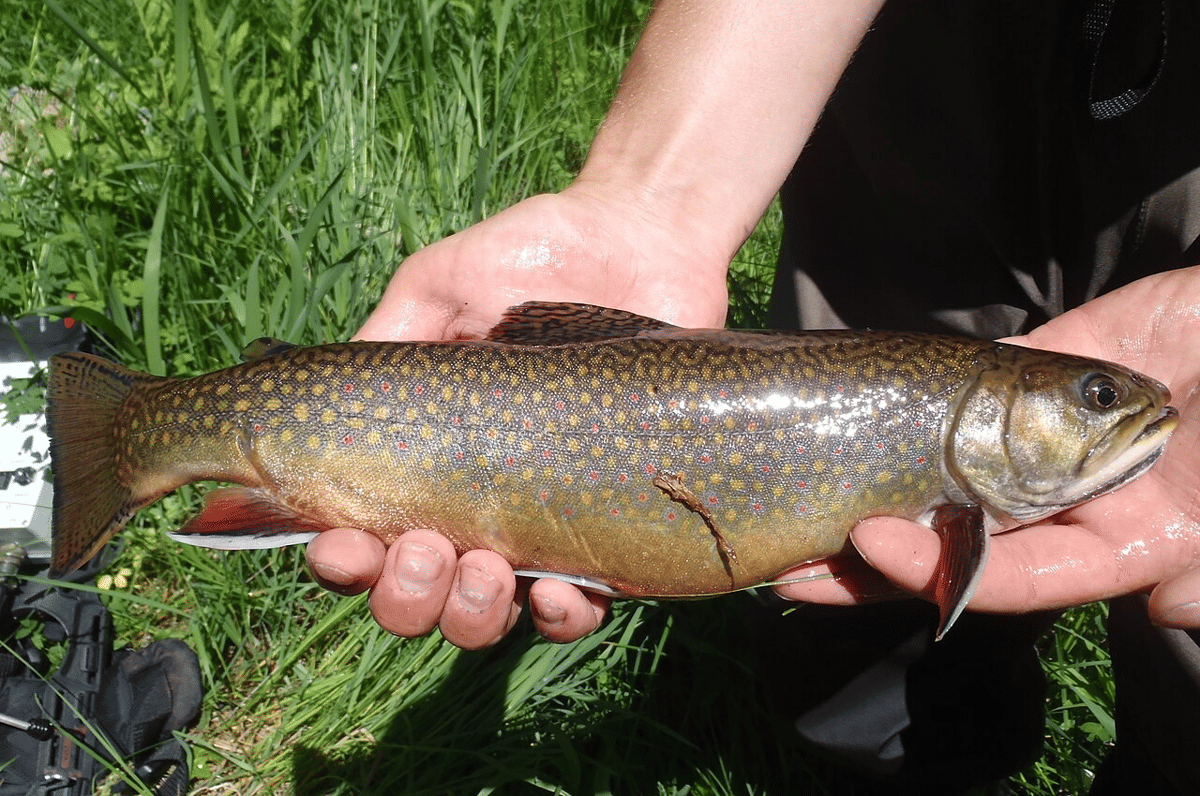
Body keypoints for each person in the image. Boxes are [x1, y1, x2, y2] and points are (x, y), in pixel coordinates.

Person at [306, 0, 1200, 791]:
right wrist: (647, 200)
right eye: (1094, 397)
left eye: (1096, 399)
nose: (1120, 404)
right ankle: (878, 760)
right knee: (858, 630)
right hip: (926, 65)